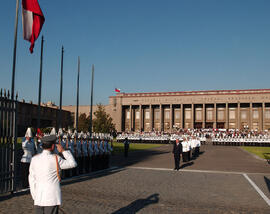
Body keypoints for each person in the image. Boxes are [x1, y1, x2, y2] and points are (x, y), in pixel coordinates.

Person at [29, 135, 77, 214]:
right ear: (53, 146)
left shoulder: (34, 159)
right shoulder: (56, 158)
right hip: (52, 197)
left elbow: (31, 179)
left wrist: (35, 196)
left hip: (38, 196)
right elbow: (73, 163)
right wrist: (63, 151)